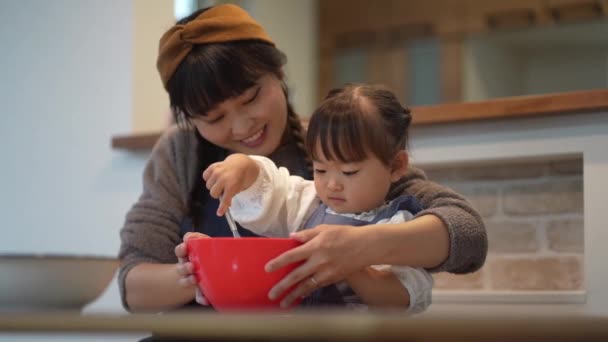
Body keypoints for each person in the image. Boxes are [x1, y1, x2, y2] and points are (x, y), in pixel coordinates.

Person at [118, 4, 487, 313]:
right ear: (191, 119)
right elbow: (133, 288)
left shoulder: (332, 144)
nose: (243, 125)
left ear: (278, 72)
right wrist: (205, 272)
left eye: (251, 98)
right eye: (214, 118)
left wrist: (361, 248)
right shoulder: (181, 152)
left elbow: (467, 236)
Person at [203, 84, 434, 312]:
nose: (332, 185)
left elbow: (402, 297)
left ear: (396, 166)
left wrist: (347, 261)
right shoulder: (308, 204)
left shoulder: (400, 226)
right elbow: (269, 189)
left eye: (349, 172)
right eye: (321, 170)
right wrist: (243, 166)